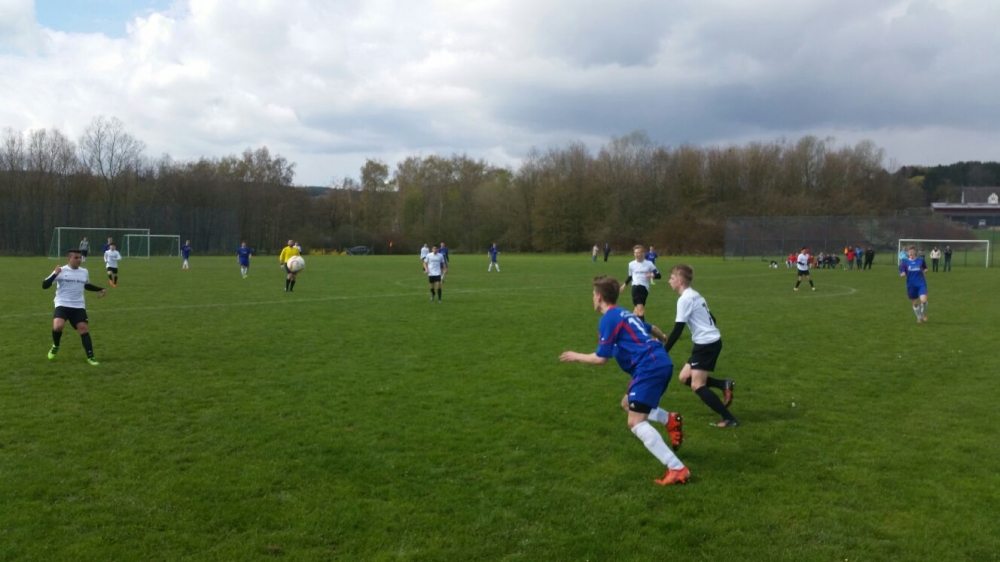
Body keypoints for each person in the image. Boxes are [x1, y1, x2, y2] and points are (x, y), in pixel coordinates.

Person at [559, 276, 689, 486]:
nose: (592, 298)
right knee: (627, 403)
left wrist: (576, 355)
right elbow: (651, 327)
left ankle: (677, 468)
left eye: (593, 294)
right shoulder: (624, 313)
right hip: (658, 362)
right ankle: (669, 419)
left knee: (635, 422)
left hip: (649, 366)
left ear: (599, 297)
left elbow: (601, 358)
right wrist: (662, 337)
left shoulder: (609, 318)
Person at [661, 265, 738, 427]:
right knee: (684, 377)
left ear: (680, 281)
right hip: (709, 342)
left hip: (706, 344)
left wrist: (663, 351)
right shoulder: (695, 294)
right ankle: (723, 384)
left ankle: (729, 418)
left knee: (697, 385)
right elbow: (713, 319)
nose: (669, 281)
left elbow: (677, 330)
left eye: (672, 278)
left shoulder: (684, 299)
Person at [42, 249, 106, 366]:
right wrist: (55, 274)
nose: (79, 260)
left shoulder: (84, 271)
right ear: (69, 259)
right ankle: (56, 345)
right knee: (58, 326)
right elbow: (44, 285)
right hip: (62, 304)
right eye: (76, 257)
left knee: (83, 329)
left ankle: (91, 357)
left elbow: (86, 285)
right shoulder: (61, 270)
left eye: (80, 257)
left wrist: (100, 289)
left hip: (78, 305)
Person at [620, 245, 661, 321]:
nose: (637, 254)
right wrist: (624, 285)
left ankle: (631, 324)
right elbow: (630, 276)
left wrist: (652, 275)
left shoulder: (649, 264)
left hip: (644, 288)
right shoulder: (631, 264)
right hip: (635, 287)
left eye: (638, 252)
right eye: (635, 253)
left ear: (643, 253)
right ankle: (642, 327)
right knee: (640, 309)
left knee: (636, 311)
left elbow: (659, 275)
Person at [899, 246, 929, 323]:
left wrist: (925, 270)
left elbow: (925, 268)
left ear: (915, 252)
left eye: (912, 251)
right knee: (915, 304)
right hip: (911, 285)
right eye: (909, 252)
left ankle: (923, 313)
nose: (911, 253)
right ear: (907, 253)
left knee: (924, 301)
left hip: (921, 283)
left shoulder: (921, 260)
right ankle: (919, 317)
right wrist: (902, 274)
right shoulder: (904, 262)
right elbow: (902, 271)